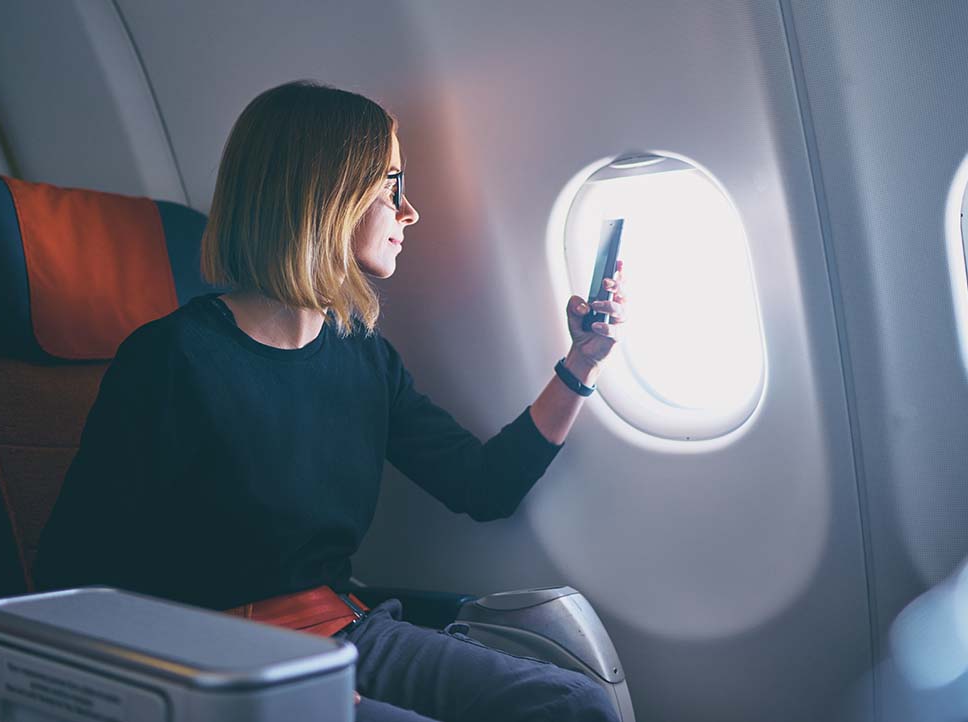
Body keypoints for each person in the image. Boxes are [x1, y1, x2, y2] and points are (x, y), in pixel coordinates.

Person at [33, 80, 627, 722]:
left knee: (575, 702)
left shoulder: (362, 357)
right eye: (392, 184)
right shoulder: (173, 360)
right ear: (327, 195)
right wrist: (264, 679)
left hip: (344, 633)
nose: (409, 211)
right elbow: (74, 573)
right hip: (218, 656)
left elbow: (485, 487)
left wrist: (581, 364)